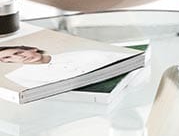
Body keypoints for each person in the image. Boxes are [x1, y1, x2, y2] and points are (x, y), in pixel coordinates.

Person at [0, 44, 130, 87]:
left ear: (32, 49)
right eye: (8, 58)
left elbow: (127, 59)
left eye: (19, 52)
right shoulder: (19, 76)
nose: (20, 57)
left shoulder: (82, 53)